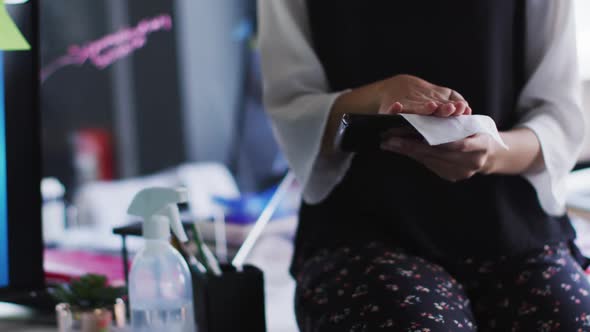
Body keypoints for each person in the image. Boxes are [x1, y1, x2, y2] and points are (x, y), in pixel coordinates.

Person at [258, 0, 589, 331]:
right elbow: (291, 108)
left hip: (514, 227)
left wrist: (490, 153)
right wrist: (379, 96)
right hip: (363, 228)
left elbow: (559, 118)